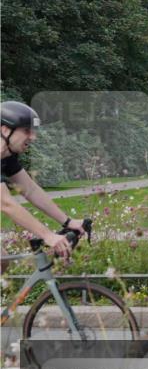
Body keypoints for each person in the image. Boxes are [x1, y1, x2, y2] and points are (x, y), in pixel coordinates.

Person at [1, 101, 87, 263]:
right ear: (5, 129)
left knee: (2, 261)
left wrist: (67, 221)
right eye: (27, 131)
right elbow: (5, 203)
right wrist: (47, 235)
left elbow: (30, 190)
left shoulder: (7, 157)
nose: (33, 137)